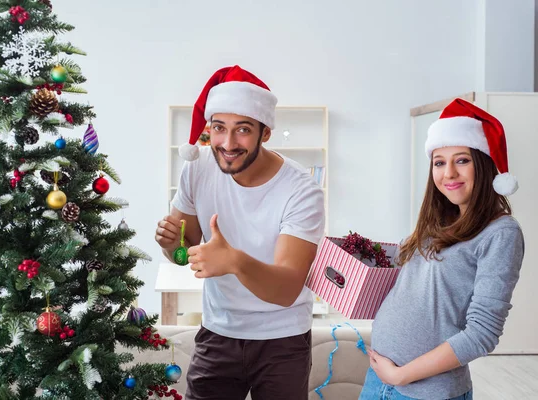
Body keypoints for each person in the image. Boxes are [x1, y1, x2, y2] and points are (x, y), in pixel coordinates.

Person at [154, 65, 325, 399]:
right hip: (219, 331)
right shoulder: (198, 168)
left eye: (242, 130)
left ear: (265, 132)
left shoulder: (302, 190)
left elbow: (287, 288)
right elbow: (182, 255)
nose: (228, 143)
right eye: (219, 128)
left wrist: (233, 261)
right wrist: (171, 244)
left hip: (283, 338)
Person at [359, 98, 524, 400]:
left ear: (484, 165)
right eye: (439, 162)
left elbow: (482, 334)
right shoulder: (438, 223)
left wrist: (401, 375)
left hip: (425, 392)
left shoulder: (500, 233)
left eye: (461, 160)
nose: (448, 173)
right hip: (379, 380)